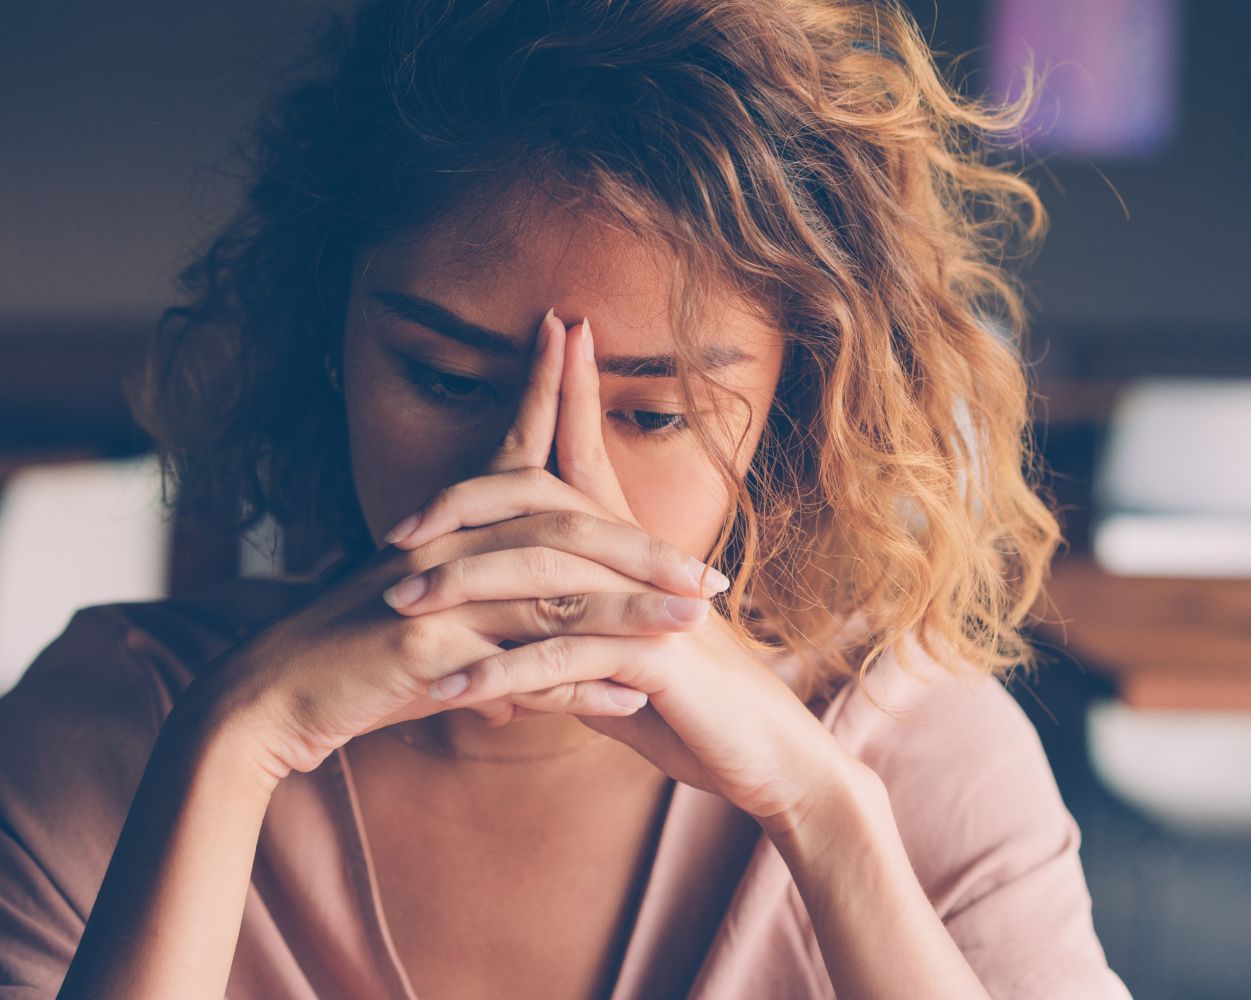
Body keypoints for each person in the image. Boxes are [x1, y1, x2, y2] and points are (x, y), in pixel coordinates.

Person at [0, 0, 1132, 997]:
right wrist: (232, 749)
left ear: (791, 407)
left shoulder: (909, 758)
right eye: (443, 379)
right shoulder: (118, 728)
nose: (537, 486)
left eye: (652, 413)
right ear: (330, 341)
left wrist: (827, 824)